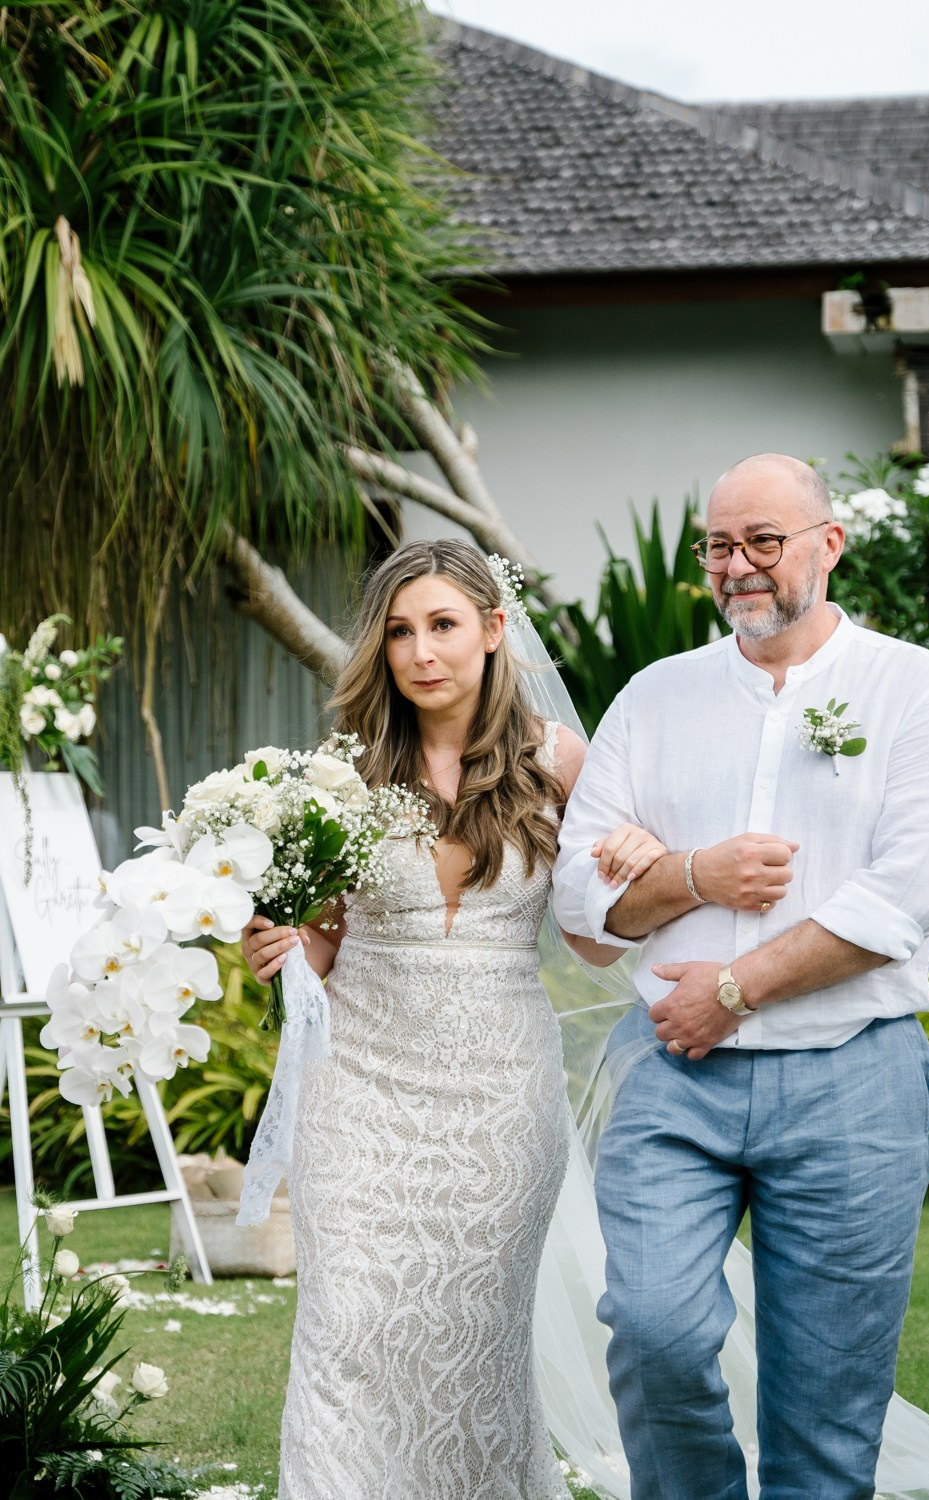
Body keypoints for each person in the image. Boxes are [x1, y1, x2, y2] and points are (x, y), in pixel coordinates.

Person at [552, 452, 929, 1500]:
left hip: (854, 1081)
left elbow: (904, 897)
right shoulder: (654, 699)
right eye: (718, 546)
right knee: (653, 1329)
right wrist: (693, 874)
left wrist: (731, 988)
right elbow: (578, 903)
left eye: (762, 542)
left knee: (827, 1410)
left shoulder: (909, 687)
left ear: (827, 546)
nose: (737, 566)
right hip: (670, 1075)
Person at [240, 539, 658, 1500]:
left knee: (476, 1340)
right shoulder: (342, 772)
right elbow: (321, 943)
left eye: (442, 625)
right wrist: (282, 953)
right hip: (361, 1088)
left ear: (493, 631)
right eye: (398, 632)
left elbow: (596, 942)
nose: (420, 652)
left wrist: (628, 855)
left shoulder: (561, 762)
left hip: (500, 1097)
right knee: (345, 1329)